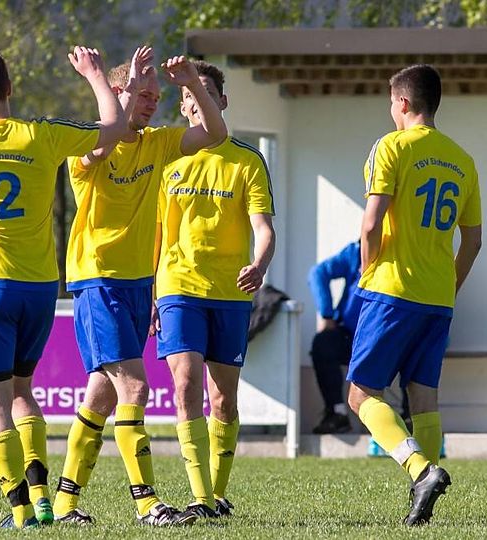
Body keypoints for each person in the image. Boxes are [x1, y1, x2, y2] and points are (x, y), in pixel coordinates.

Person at [0, 47, 127, 529]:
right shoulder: (42, 135)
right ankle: (41, 497)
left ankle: (20, 513)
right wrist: (95, 75)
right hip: (38, 287)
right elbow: (115, 126)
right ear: (10, 88)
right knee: (22, 390)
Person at [54, 47, 226, 526]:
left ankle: (65, 504)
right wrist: (120, 89)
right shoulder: (88, 144)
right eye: (142, 95)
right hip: (98, 279)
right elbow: (100, 148)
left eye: (154, 96)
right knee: (135, 386)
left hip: (135, 285)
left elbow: (215, 133)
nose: (152, 103)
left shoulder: (158, 142)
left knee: (101, 397)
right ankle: (147, 503)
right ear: (118, 94)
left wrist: (191, 83)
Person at [347, 64, 482, 527]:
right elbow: (474, 241)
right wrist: (450, 286)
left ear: (402, 102)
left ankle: (422, 470)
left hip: (392, 290)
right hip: (438, 297)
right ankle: (422, 498)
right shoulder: (462, 159)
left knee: (361, 395)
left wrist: (367, 271)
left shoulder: (392, 146)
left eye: (391, 102)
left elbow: (371, 223)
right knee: (424, 397)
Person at [155, 60, 276, 519]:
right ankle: (200, 497)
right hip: (177, 286)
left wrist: (259, 264)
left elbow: (263, 228)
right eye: (188, 93)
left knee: (223, 398)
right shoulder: (168, 156)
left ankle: (217, 495)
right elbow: (155, 235)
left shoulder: (247, 160)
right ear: (182, 105)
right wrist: (149, 292)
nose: (196, 98)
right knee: (186, 383)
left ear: (221, 102)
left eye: (204, 91)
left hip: (229, 292)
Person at [308, 240, 362, 434]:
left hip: (387, 338)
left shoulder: (404, 252)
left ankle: (409, 416)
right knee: (323, 343)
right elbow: (317, 273)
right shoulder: (356, 252)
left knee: (412, 346)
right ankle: (337, 413)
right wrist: (327, 314)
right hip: (351, 337)